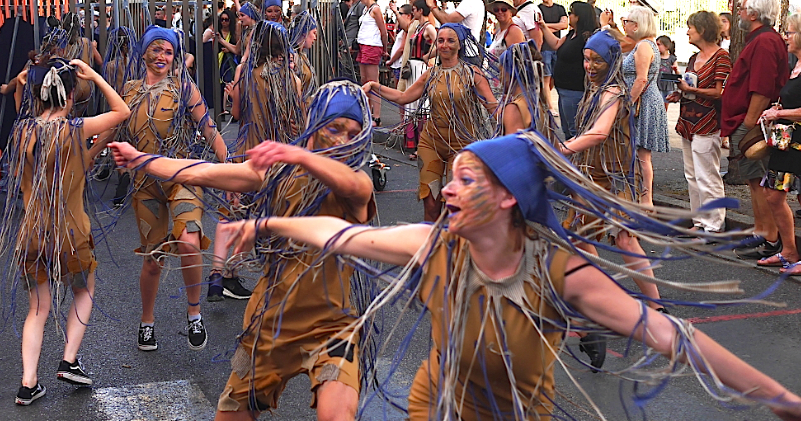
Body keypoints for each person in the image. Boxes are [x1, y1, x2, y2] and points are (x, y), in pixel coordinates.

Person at [216, 130, 801, 421]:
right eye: (450, 176)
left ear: (506, 200)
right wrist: (266, 226)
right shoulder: (438, 245)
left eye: (466, 181)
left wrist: (778, 397)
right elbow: (341, 234)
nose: (447, 189)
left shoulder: (558, 272)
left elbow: (674, 336)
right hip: (435, 401)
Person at [109, 80, 375, 421]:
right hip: (270, 322)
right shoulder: (279, 174)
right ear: (315, 123)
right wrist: (143, 159)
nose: (341, 139)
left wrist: (298, 154)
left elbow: (349, 184)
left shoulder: (357, 183)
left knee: (336, 415)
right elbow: (205, 171)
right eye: (335, 128)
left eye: (352, 134)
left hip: (331, 327)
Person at [3, 57, 130, 405]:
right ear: (71, 94)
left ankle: (28, 383)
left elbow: (22, 106)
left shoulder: (22, 131)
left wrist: (22, 82)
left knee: (37, 309)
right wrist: (97, 76)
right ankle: (69, 360)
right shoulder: (75, 129)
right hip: (70, 234)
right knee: (84, 289)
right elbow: (122, 112)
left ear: (37, 94)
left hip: (31, 235)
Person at [106, 25, 228, 351]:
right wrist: (80, 162)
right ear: (144, 52)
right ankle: (147, 321)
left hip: (183, 177)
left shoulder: (184, 89)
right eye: (156, 49)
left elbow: (210, 129)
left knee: (190, 240)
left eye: (169, 51)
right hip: (146, 187)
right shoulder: (129, 91)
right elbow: (110, 130)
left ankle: (194, 313)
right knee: (153, 258)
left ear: (175, 57)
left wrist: (231, 171)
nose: (162, 56)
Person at [558, 30, 667, 371]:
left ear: (612, 62)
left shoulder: (613, 91)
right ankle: (604, 302)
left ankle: (657, 308)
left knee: (624, 239)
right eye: (586, 59)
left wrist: (560, 149)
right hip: (590, 175)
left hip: (615, 175)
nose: (589, 65)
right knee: (581, 235)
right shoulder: (594, 89)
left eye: (596, 61)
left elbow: (601, 132)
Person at [363, 23, 497, 222]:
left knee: (456, 204)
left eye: (450, 41)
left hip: (462, 146)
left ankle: (453, 249)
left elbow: (493, 108)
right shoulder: (431, 74)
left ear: (459, 45)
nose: (444, 45)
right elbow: (403, 97)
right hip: (431, 143)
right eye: (440, 41)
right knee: (431, 203)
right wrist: (375, 86)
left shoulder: (473, 73)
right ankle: (432, 247)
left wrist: (517, 118)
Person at [722, 0, 786, 259]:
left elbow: (761, 87)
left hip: (751, 121)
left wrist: (748, 125)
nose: (738, 9)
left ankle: (769, 235)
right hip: (747, 119)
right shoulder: (760, 39)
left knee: (759, 180)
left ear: (755, 11)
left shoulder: (764, 42)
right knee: (754, 179)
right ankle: (763, 230)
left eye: (743, 5)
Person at [666, 12, 730, 235]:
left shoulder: (721, 57)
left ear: (702, 30)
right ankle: (700, 221)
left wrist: (691, 90)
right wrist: (680, 94)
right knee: (692, 174)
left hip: (707, 123)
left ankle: (714, 225)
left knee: (707, 175)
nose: (687, 32)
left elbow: (720, 92)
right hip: (688, 121)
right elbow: (691, 86)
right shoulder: (694, 58)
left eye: (690, 27)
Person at [752, 13, 801, 274]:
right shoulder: (795, 65)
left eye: (790, 32)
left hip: (797, 144)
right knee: (773, 194)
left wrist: (779, 114)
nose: (785, 37)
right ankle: (789, 251)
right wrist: (778, 109)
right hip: (785, 143)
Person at [621, 5, 670, 209]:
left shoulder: (643, 46)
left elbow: (641, 80)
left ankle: (645, 200)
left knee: (642, 155)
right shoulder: (647, 44)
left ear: (637, 25)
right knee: (642, 155)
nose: (625, 25)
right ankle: (643, 199)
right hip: (648, 99)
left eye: (627, 22)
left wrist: (626, 104)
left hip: (643, 101)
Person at [539, 1, 598, 139]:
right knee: (567, 129)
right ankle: (570, 158)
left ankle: (575, 159)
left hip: (575, 89)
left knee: (574, 131)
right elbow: (556, 44)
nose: (569, 16)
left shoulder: (587, 37)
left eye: (571, 13)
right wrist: (543, 26)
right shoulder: (572, 34)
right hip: (563, 88)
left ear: (579, 17)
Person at [497, 40, 555, 139]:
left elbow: (512, 150)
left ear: (511, 73)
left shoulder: (515, 108)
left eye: (501, 72)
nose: (499, 77)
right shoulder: (539, 101)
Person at [357, 0, 388, 126]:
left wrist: (385, 50)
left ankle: (376, 116)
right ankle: (368, 113)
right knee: (365, 81)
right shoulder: (366, 9)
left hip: (372, 46)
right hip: (363, 45)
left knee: (373, 82)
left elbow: (383, 31)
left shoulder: (375, 9)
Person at [538, 0, 567, 114]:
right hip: (544, 49)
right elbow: (538, 28)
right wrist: (556, 27)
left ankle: (543, 100)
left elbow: (564, 25)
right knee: (546, 78)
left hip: (557, 47)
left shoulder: (560, 8)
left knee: (554, 79)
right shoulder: (538, 8)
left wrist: (545, 26)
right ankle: (550, 107)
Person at [289, 10, 319, 103]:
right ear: (304, 33)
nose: (315, 38)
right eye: (313, 33)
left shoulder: (302, 56)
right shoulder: (292, 58)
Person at [656, 34, 677, 111]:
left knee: (665, 105)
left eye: (659, 44)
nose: (656, 47)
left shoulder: (672, 58)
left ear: (666, 46)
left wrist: (676, 70)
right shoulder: (656, 57)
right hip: (658, 83)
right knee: (658, 104)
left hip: (667, 84)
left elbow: (677, 72)